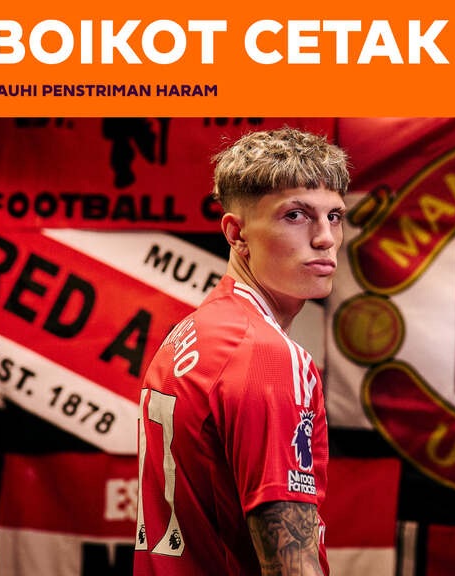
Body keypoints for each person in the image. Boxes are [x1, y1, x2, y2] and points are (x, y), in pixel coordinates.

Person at [133, 127, 350, 576]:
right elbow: (291, 566)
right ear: (236, 233)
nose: (325, 238)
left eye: (334, 216)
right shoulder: (267, 356)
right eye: (296, 215)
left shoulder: (192, 331)